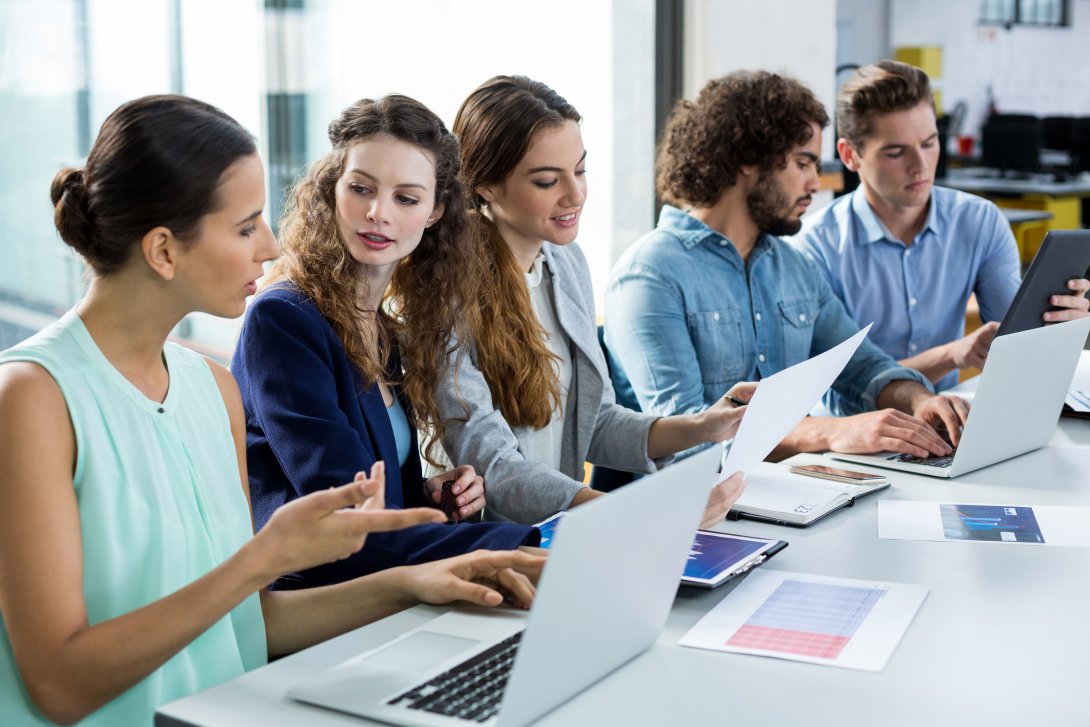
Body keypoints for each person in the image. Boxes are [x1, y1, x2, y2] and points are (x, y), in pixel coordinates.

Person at [0, 95, 543, 727]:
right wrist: (264, 558)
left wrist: (428, 578)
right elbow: (60, 687)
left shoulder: (212, 389)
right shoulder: (32, 398)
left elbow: (249, 622)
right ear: (163, 251)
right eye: (244, 225)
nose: (271, 244)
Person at [231, 95, 540, 589]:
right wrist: (529, 546)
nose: (378, 213)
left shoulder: (384, 330)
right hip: (315, 604)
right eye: (361, 188)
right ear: (333, 190)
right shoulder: (284, 321)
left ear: (436, 212)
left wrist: (426, 498)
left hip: (386, 586)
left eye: (406, 198)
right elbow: (350, 519)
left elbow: (378, 502)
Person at [605, 71, 968, 463]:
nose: (816, 181)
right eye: (803, 162)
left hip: (796, 493)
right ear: (748, 159)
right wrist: (831, 432)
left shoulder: (795, 266)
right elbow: (688, 442)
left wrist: (918, 400)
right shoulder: (649, 276)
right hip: (696, 514)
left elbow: (862, 366)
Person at [434, 75, 750, 526]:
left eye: (580, 171)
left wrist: (704, 426)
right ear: (485, 185)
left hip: (560, 536)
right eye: (547, 181)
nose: (576, 194)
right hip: (488, 549)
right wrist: (637, 514)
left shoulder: (565, 263)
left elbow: (594, 421)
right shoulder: (447, 294)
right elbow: (495, 467)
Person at [789, 59, 1090, 396]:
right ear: (849, 155)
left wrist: (1058, 329)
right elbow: (840, 386)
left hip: (946, 423)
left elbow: (1017, 350)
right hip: (853, 435)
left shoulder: (979, 222)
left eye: (929, 143)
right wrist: (951, 355)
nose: (920, 166)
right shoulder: (813, 248)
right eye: (895, 152)